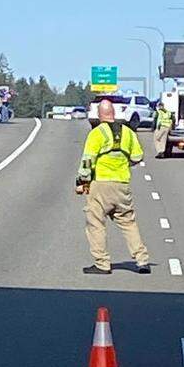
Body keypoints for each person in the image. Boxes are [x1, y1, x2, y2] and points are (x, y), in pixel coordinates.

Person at [76, 100, 151, 275]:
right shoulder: (128, 133)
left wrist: (82, 181)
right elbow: (138, 156)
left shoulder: (97, 134)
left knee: (95, 223)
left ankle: (102, 263)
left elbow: (88, 160)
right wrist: (124, 163)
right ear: (114, 114)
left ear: (100, 115)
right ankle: (142, 260)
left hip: (101, 184)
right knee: (128, 222)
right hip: (122, 184)